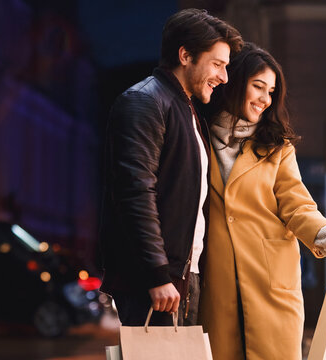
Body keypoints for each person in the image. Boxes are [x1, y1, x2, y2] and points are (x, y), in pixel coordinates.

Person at [198, 43, 326, 360]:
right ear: (235, 81)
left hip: (271, 286)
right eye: (258, 87)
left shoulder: (277, 149)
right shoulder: (196, 136)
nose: (265, 99)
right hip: (216, 285)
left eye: (271, 92)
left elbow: (298, 206)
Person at [98, 9, 242, 327]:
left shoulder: (184, 108)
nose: (224, 77)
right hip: (156, 281)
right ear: (185, 55)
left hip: (179, 274)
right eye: (217, 64)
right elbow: (135, 192)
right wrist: (157, 274)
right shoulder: (145, 101)